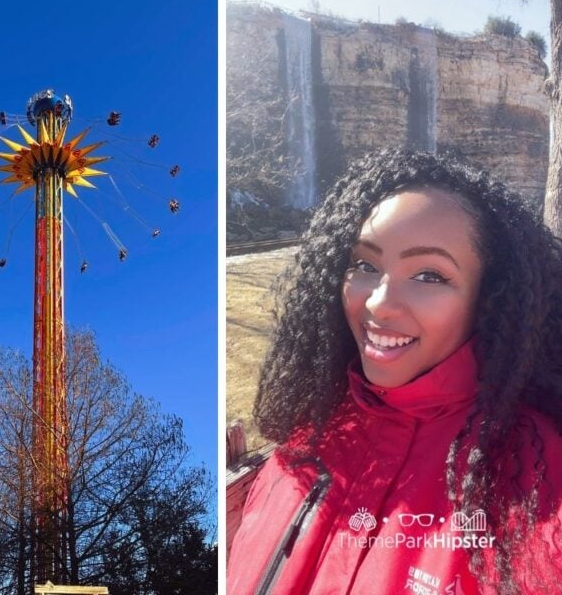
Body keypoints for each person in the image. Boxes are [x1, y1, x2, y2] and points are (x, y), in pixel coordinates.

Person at [227, 148, 562, 594]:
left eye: (429, 275)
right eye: (364, 265)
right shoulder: (306, 439)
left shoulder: (540, 485)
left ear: (488, 298)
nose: (378, 302)